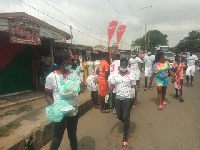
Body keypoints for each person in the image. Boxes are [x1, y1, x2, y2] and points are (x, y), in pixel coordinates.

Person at [45, 50, 78, 150]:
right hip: (60, 113)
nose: (71, 62)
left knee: (72, 136)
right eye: (69, 60)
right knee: (56, 139)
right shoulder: (51, 77)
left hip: (73, 110)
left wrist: (73, 90)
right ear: (64, 62)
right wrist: (56, 106)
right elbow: (47, 95)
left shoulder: (73, 74)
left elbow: (77, 90)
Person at [106, 58, 136, 147]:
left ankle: (125, 136)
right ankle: (126, 122)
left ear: (127, 65)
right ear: (120, 66)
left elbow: (134, 86)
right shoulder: (115, 75)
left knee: (125, 116)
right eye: (122, 65)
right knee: (119, 115)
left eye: (125, 65)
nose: (123, 66)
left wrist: (133, 96)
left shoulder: (131, 74)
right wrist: (108, 94)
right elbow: (112, 86)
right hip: (118, 97)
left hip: (127, 97)